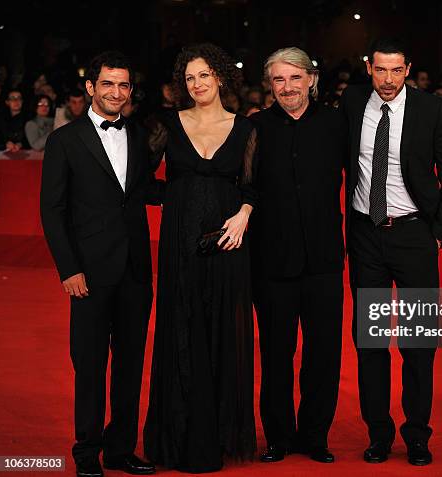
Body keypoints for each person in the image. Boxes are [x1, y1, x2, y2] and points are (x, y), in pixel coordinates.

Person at [339, 38, 442, 466]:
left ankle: (416, 435)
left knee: (416, 343)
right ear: (368, 68)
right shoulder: (353, 102)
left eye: (396, 71)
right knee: (370, 343)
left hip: (414, 238)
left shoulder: (432, 109)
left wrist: (437, 232)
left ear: (407, 69)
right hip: (366, 237)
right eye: (380, 70)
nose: (388, 80)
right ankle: (378, 433)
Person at [40, 51, 163, 477]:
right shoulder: (65, 140)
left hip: (134, 270)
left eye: (124, 85)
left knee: (130, 365)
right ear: (90, 87)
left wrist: (204, 187)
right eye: (107, 84)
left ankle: (121, 449)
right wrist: (69, 270)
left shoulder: (140, 135)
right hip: (88, 274)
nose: (116, 92)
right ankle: (87, 453)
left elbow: (147, 191)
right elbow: (52, 211)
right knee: (90, 365)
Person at [143, 43, 257, 473]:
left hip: (227, 246)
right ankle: (180, 436)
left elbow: (252, 186)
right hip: (179, 246)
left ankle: (219, 434)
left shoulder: (245, 129)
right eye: (190, 78)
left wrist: (245, 213)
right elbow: (138, 177)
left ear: (221, 78)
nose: (197, 84)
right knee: (182, 332)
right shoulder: (167, 125)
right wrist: (176, 201)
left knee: (222, 332)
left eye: (205, 75)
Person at [249, 47, 346, 465]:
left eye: (294, 78)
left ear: (310, 79)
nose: (287, 87)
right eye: (278, 80)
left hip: (324, 260)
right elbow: (245, 187)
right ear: (270, 85)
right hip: (272, 262)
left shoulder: (335, 124)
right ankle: (278, 437)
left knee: (323, 354)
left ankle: (315, 436)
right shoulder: (254, 128)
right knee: (275, 354)